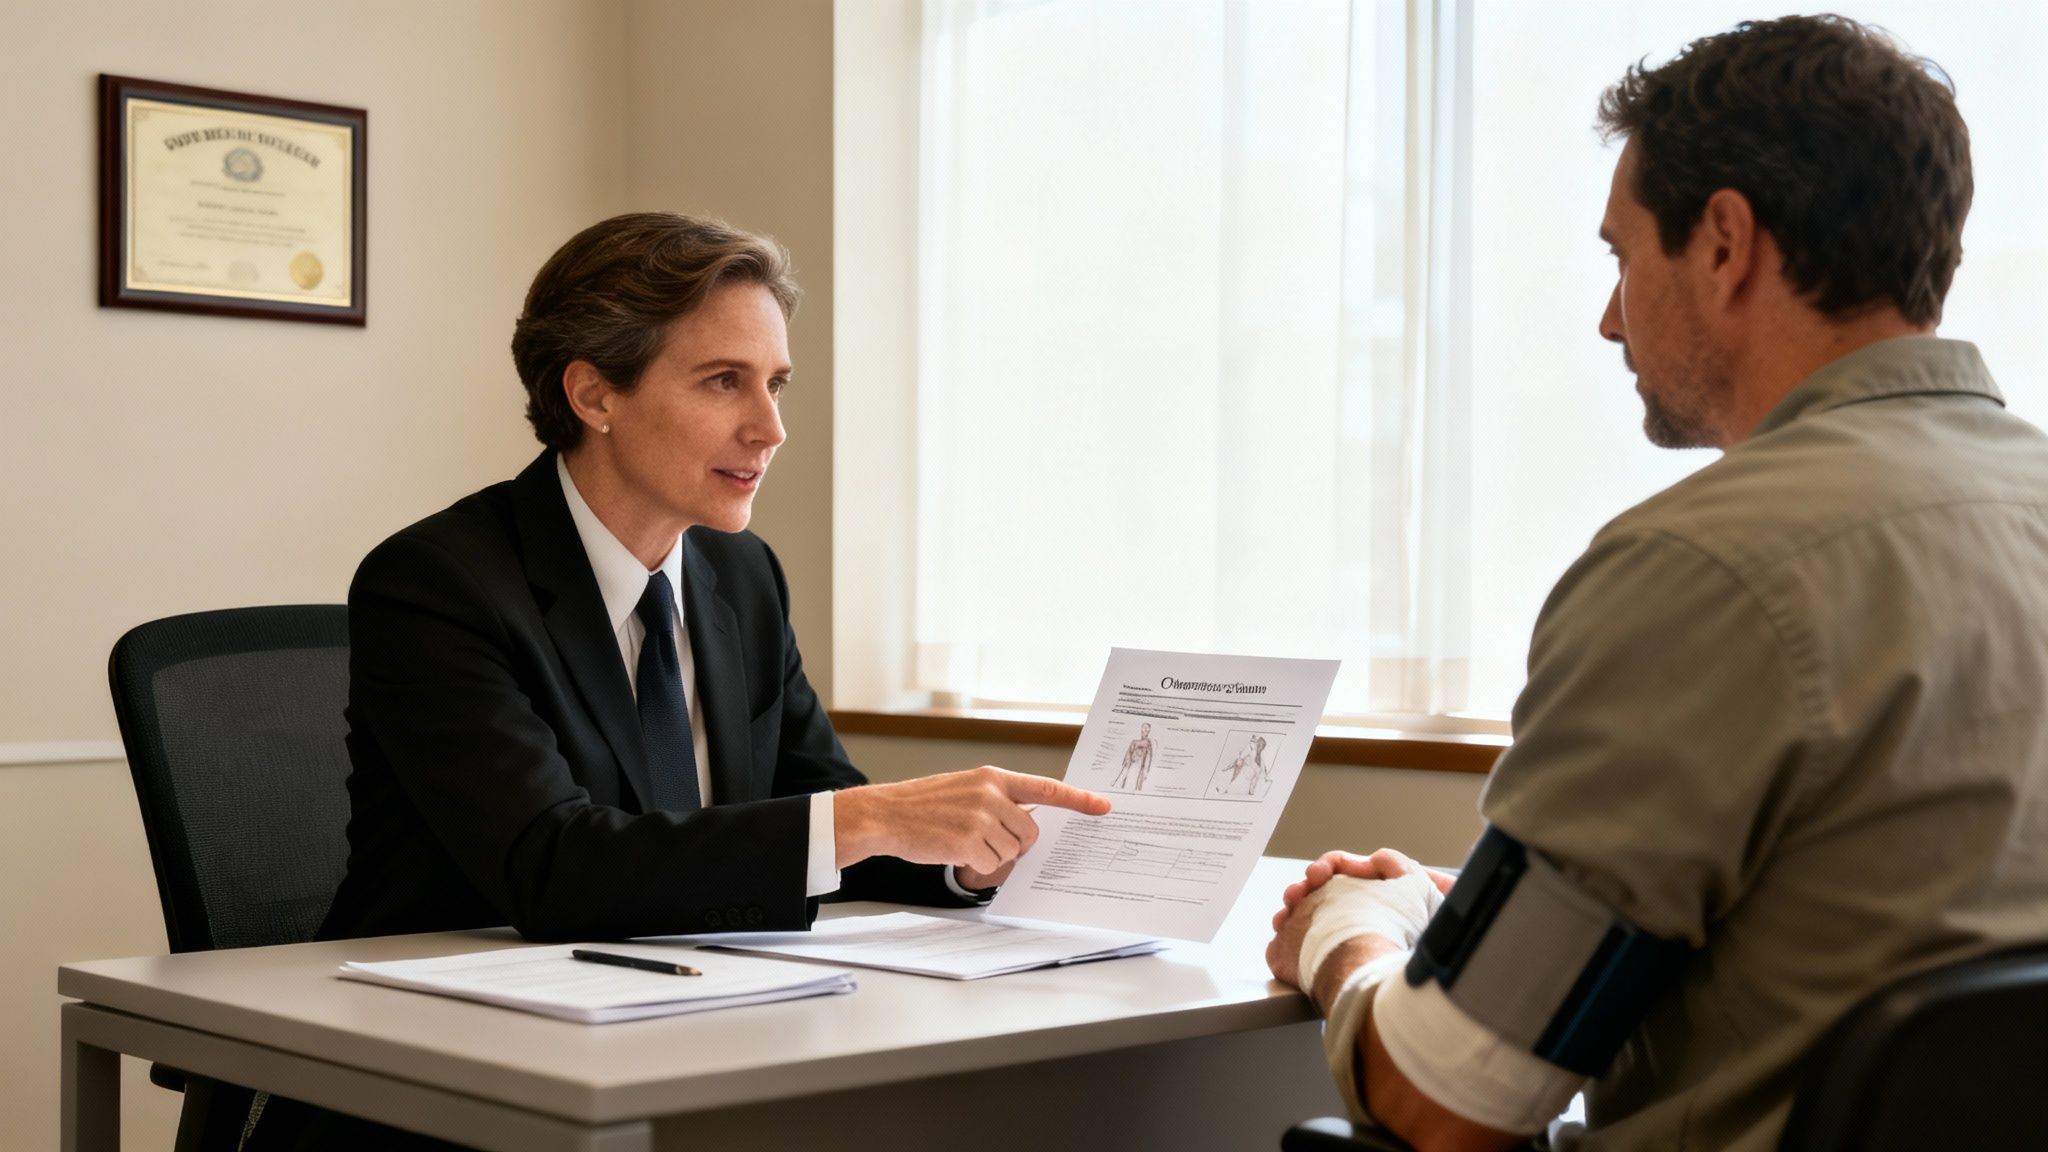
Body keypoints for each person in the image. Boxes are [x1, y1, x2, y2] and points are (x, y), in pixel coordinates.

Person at [1267, 16, 2048, 1152]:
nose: (1605, 315)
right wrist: (1489, 914)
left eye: (1619, 255)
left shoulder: (1701, 567)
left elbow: (1445, 1100)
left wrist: (1352, 931)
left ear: (1724, 242)